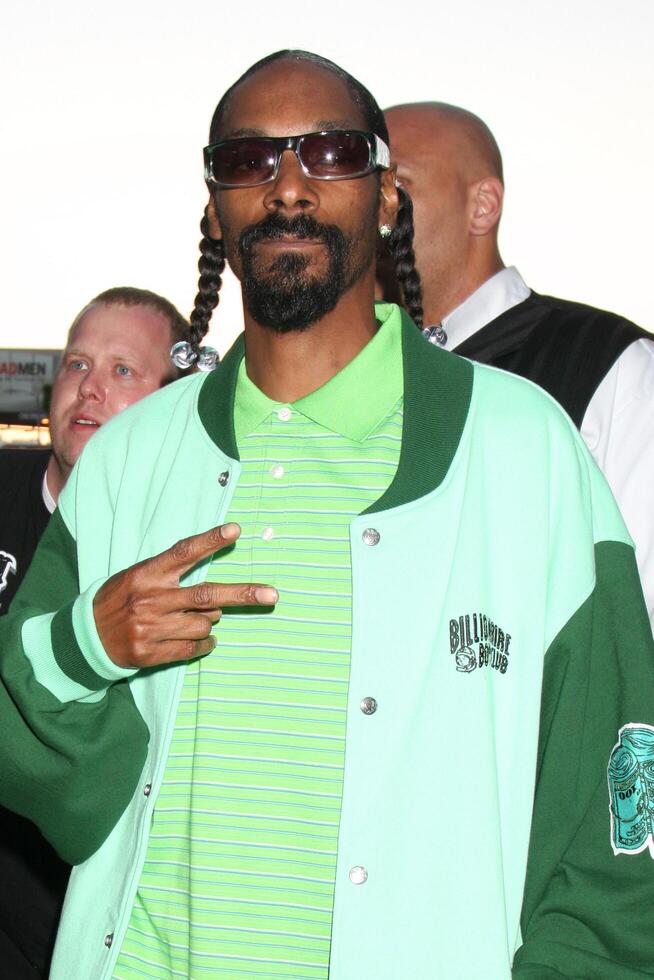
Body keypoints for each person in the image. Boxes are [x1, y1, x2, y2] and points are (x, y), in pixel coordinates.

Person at [0, 50, 653, 980]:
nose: (290, 187)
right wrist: (87, 645)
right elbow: (35, 748)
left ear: (387, 195)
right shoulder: (132, 463)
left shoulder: (524, 450)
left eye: (332, 152)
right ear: (214, 207)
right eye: (249, 161)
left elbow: (614, 811)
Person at [378, 101, 654, 627]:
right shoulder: (351, 375)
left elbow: (632, 618)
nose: (377, 207)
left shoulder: (610, 367)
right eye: (368, 187)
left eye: (399, 183)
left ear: (482, 206)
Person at [0, 285, 190, 979]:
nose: (89, 389)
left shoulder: (177, 544)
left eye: (122, 371)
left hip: (87, 918)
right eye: (77, 364)